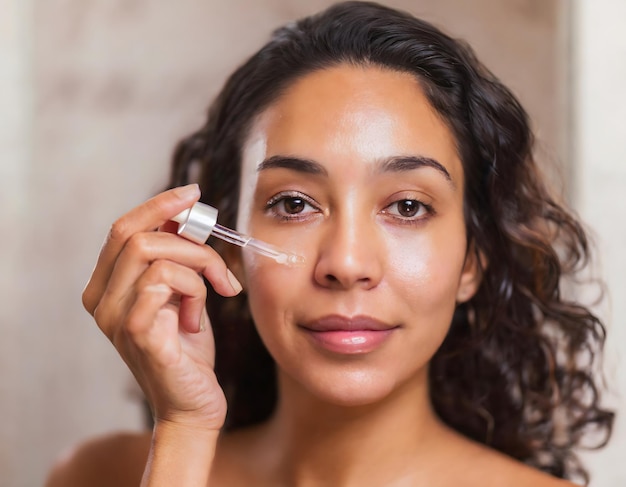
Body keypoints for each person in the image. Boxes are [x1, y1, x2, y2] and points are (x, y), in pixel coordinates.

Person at [47, 2, 614, 486]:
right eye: (293, 204)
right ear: (227, 248)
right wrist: (185, 433)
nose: (346, 264)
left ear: (473, 260)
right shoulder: (108, 474)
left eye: (407, 207)